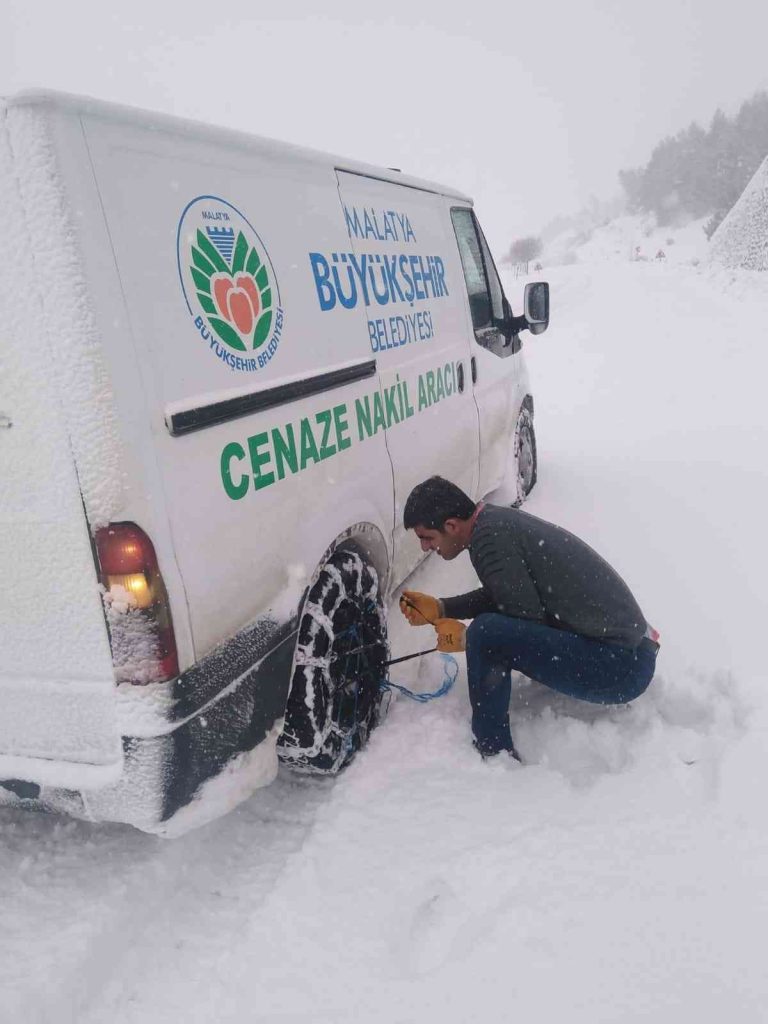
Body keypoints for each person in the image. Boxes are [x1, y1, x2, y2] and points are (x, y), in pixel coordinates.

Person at [399, 477, 659, 760]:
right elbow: (509, 596)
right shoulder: (492, 523)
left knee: (485, 634)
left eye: (427, 537)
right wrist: (442, 608)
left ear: (450, 526)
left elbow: (523, 619)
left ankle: (493, 750)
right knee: (489, 632)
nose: (425, 547)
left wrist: (466, 638)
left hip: (621, 669)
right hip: (631, 650)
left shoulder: (489, 540)